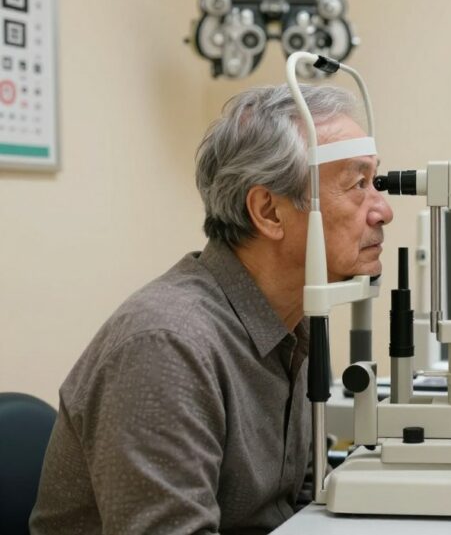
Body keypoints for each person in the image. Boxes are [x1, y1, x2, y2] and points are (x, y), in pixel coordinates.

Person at [30, 84, 393, 534]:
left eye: (375, 182)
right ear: (269, 212)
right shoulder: (167, 347)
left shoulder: (292, 323)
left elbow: (298, 507)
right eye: (358, 185)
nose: (383, 210)